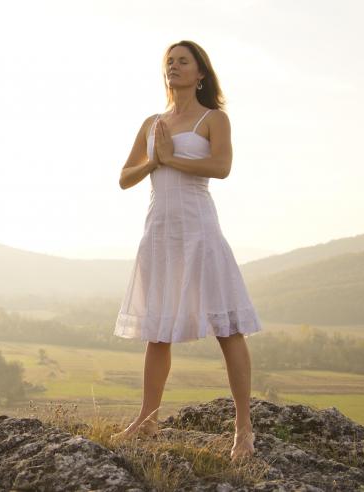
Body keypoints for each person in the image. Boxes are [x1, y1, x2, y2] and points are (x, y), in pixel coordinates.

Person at [110, 40, 262, 461]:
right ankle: (147, 419)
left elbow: (222, 167)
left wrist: (172, 159)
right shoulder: (152, 123)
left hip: (200, 233)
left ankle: (243, 429)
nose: (174, 67)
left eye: (183, 61)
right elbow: (125, 177)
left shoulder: (214, 119)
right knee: (157, 331)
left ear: (200, 74)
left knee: (228, 327)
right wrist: (154, 161)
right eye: (169, 62)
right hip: (160, 234)